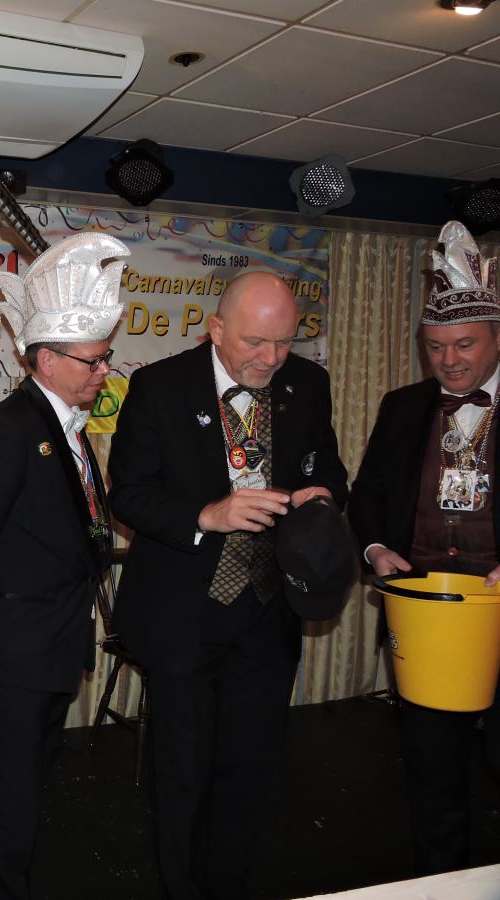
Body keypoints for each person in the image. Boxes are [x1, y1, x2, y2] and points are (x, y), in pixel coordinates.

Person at [108, 270, 348, 899]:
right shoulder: (159, 387)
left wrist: (322, 496)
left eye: (284, 342)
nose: (271, 359)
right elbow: (127, 493)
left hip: (269, 613)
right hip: (184, 614)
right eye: (255, 343)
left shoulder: (308, 384)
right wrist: (206, 515)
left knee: (251, 767)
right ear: (216, 330)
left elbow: (329, 467)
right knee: (183, 769)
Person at [0, 232, 128, 900]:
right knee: (10, 791)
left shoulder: (66, 425)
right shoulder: (6, 429)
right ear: (45, 358)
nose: (103, 371)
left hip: (54, 638)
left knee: (20, 783)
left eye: (105, 358)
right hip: (14, 644)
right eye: (93, 360)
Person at [348, 221, 500, 876]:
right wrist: (376, 547)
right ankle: (444, 879)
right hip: (427, 617)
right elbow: (368, 496)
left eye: (465, 344)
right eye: (436, 347)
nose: (449, 360)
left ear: (498, 337)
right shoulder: (403, 406)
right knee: (432, 767)